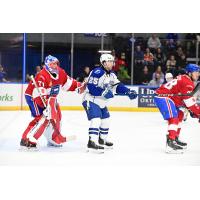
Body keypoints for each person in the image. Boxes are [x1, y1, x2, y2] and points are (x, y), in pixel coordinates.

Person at [20, 55, 85, 149]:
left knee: (57, 115)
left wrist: (79, 86)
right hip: (33, 97)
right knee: (42, 117)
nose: (55, 66)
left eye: (56, 63)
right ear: (47, 65)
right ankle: (26, 140)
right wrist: (47, 107)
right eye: (52, 64)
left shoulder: (61, 72)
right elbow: (37, 94)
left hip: (50, 97)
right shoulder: (41, 75)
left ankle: (53, 139)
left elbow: (69, 83)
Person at [82, 53, 137, 152]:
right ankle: (92, 142)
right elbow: (91, 87)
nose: (112, 63)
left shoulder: (112, 75)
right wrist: (103, 92)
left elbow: (118, 86)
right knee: (96, 119)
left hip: (101, 102)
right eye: (109, 61)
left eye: (112, 61)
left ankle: (102, 140)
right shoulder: (97, 72)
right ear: (103, 62)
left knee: (106, 120)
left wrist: (128, 91)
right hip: (91, 99)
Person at [154, 64, 200, 153]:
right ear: (190, 73)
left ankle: (174, 138)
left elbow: (183, 99)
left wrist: (194, 112)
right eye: (196, 72)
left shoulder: (183, 78)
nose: (198, 74)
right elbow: (190, 103)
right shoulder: (187, 82)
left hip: (167, 97)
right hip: (163, 97)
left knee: (180, 114)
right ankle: (170, 143)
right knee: (173, 118)